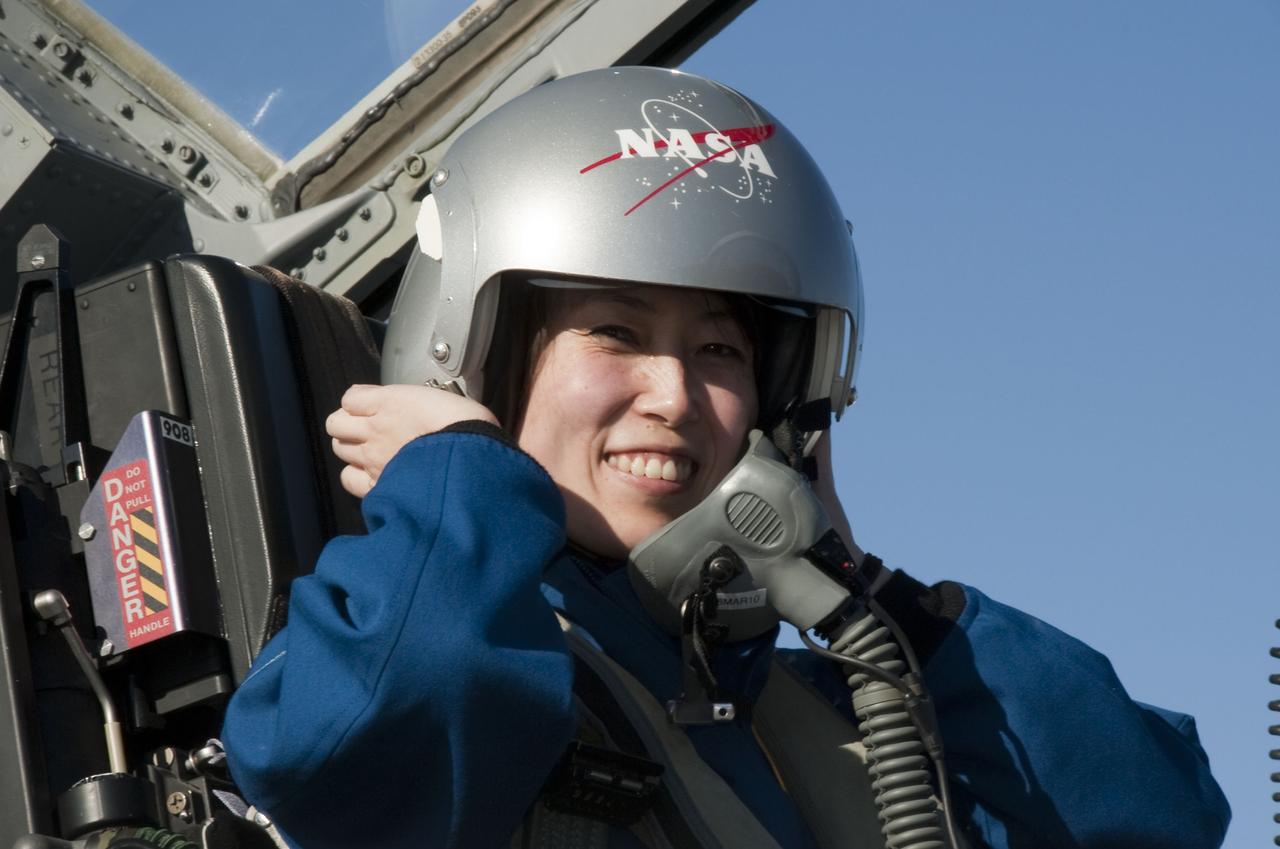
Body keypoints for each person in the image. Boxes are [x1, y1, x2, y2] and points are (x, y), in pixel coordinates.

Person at [220, 67, 1230, 849]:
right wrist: (458, 483)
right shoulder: (417, 672)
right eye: (612, 333)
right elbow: (364, 745)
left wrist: (873, 601)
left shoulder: (840, 714)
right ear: (472, 363)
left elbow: (1151, 816)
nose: (672, 396)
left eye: (717, 351)